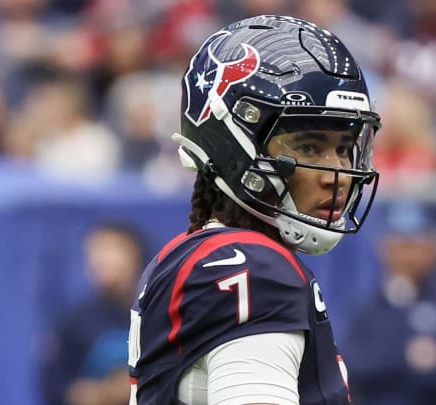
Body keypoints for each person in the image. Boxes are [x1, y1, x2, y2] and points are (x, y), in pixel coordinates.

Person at [127, 15, 381, 405]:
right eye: (310, 147)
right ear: (234, 144)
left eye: (344, 148)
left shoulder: (198, 255)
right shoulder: (251, 266)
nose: (339, 174)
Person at [340, 200, 436, 404]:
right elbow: (353, 364)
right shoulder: (369, 305)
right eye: (402, 247)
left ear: (432, 250)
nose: (409, 258)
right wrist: (405, 355)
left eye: (415, 247)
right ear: (385, 250)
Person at [41, 221, 147, 405]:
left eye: (113, 249)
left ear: (135, 256)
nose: (101, 259)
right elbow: (54, 384)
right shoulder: (75, 322)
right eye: (94, 251)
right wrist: (93, 393)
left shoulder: (161, 313)